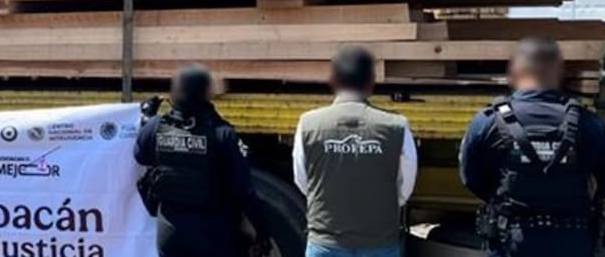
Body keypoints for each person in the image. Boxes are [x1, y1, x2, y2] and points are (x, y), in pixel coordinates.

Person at [460, 37, 605, 257]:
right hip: (572, 240)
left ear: (514, 72)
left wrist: (503, 197)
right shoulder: (589, 124)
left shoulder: (488, 122)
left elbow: (471, 178)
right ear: (559, 73)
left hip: (511, 241)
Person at [134, 64, 273, 257]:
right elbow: (244, 191)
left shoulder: (156, 127)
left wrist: (148, 118)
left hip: (170, 234)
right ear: (206, 94)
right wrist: (263, 232)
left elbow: (141, 155)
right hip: (213, 235)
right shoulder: (222, 134)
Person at [293, 45, 417, 257]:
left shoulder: (308, 124)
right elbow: (405, 186)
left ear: (332, 81)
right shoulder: (396, 126)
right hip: (379, 242)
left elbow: (303, 180)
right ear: (371, 82)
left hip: (326, 244)